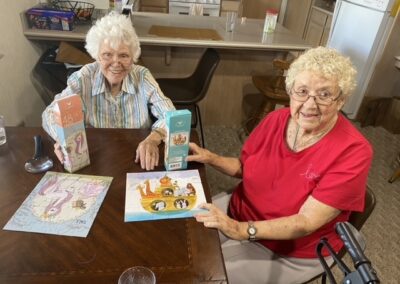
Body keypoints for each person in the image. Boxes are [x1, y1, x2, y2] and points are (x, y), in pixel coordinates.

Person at [187, 47, 373, 283]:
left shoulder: (353, 151)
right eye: (302, 91)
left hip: (290, 249)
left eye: (324, 94)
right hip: (240, 210)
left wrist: (240, 231)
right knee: (184, 240)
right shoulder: (275, 119)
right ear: (291, 92)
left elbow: (306, 222)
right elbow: (246, 168)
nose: (310, 104)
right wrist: (211, 158)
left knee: (204, 275)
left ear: (341, 100)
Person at [42, 12, 175, 170]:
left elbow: (171, 116)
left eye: (124, 55)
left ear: (133, 57)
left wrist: (153, 139)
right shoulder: (84, 78)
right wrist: (62, 138)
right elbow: (50, 114)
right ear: (97, 56)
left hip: (139, 159)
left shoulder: (142, 76)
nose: (116, 63)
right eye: (107, 55)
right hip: (96, 159)